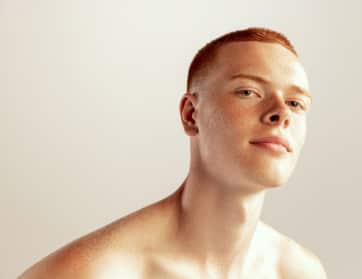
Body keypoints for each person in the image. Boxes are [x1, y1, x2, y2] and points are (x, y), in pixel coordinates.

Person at [19, 27, 327, 279]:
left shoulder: (300, 272)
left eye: (296, 103)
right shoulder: (94, 272)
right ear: (191, 114)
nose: (280, 113)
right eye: (248, 92)